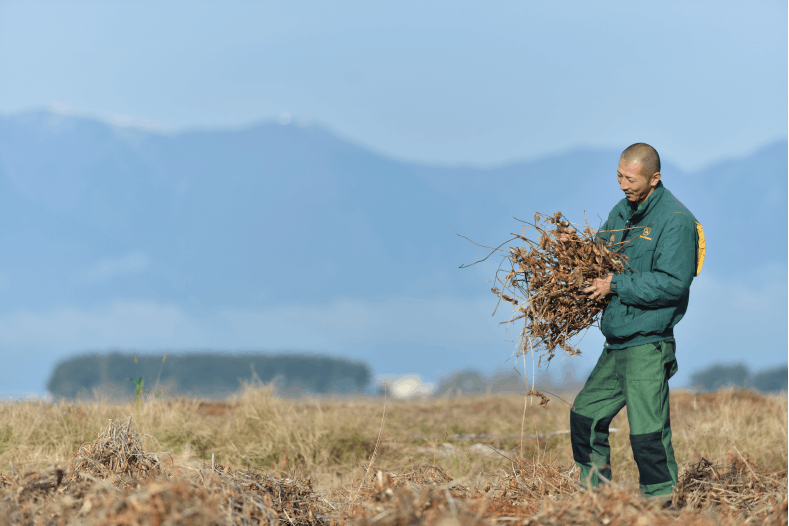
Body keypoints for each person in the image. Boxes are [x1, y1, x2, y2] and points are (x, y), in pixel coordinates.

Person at [569, 143, 705, 498]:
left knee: (647, 434)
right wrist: (574, 255)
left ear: (654, 178)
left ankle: (661, 505)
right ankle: (595, 499)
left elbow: (674, 284)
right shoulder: (623, 210)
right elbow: (600, 249)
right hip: (617, 343)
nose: (622, 185)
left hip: (648, 342)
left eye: (630, 179)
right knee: (585, 417)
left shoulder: (676, 221)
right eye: (618, 176)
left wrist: (615, 283)